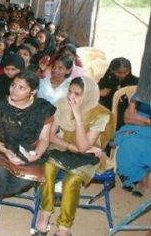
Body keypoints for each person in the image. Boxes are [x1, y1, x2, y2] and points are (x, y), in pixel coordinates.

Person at [0, 71, 56, 231]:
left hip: (29, 150)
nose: (14, 90)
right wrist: (8, 153)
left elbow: (45, 139)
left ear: (32, 91)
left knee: (22, 181)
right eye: (13, 85)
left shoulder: (43, 108)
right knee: (0, 173)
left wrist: (35, 156)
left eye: (21, 88)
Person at [36, 76, 114, 236]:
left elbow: (84, 147)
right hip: (64, 147)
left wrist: (78, 116)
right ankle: (45, 214)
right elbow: (51, 136)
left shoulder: (101, 114)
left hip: (88, 156)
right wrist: (71, 146)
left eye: (77, 94)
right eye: (70, 92)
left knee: (72, 181)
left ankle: (64, 227)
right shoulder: (61, 105)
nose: (71, 97)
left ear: (89, 94)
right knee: (47, 168)